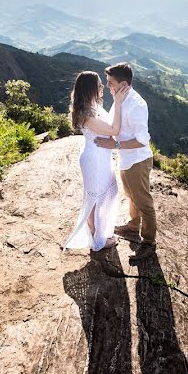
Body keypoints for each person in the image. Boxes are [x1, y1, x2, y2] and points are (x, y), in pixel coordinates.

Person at [95, 63, 156, 261]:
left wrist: (115, 146)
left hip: (137, 160)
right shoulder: (119, 98)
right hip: (126, 159)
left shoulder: (137, 105)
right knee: (131, 195)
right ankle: (132, 227)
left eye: (110, 83)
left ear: (123, 83)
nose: (108, 86)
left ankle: (148, 242)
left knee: (144, 202)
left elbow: (141, 140)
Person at [63, 71, 129, 252]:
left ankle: (100, 232)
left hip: (101, 158)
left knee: (108, 194)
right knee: (95, 198)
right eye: (99, 85)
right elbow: (114, 129)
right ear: (90, 89)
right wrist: (118, 102)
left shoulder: (93, 107)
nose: (102, 88)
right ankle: (96, 237)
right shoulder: (87, 114)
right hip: (94, 160)